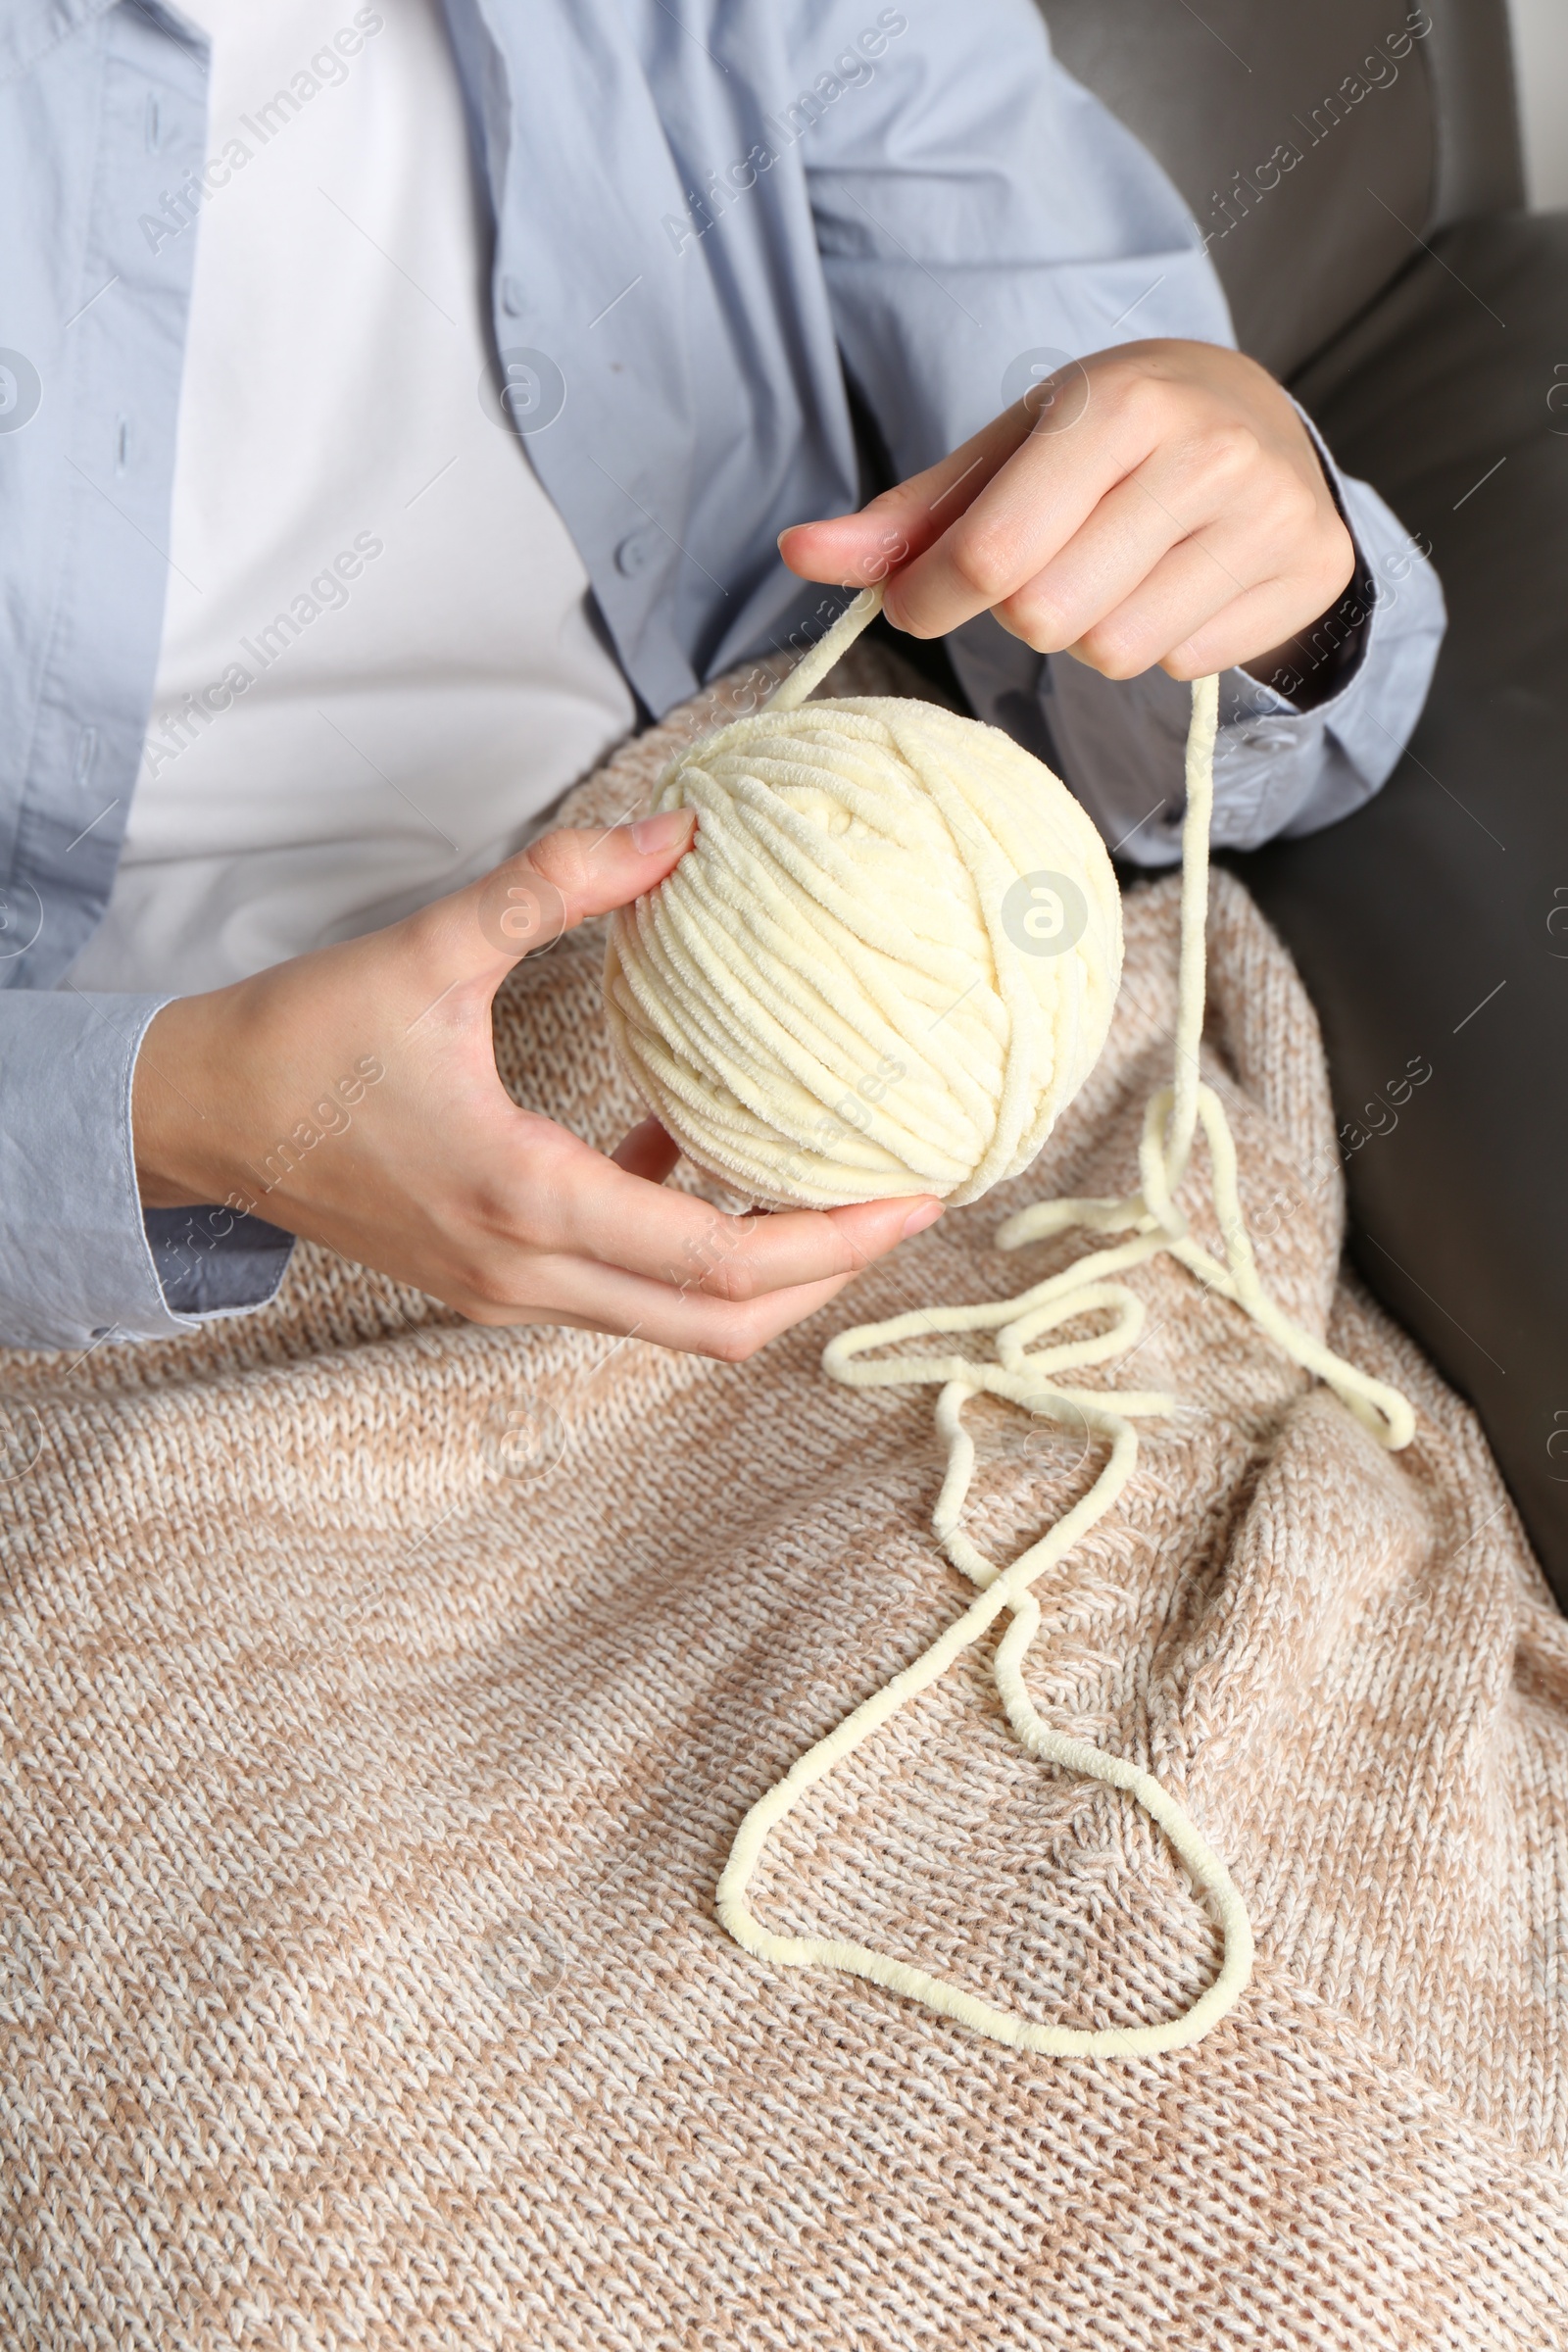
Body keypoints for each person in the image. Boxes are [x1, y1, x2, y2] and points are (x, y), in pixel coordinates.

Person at [0, 0, 1444, 1357]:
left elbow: (1193, 718)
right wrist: (172, 1113)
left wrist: (1250, 555)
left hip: (848, 944)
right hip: (159, 1175)